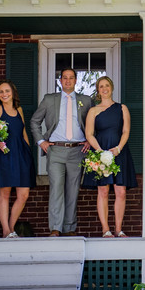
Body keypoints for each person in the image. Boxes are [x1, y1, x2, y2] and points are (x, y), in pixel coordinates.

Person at [30, 68, 92, 237]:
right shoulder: (50, 99)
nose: (67, 81)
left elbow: (94, 123)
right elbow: (35, 121)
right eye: (64, 78)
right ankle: (56, 228)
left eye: (71, 78)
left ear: (76, 81)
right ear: (60, 80)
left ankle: (70, 228)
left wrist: (89, 140)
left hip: (78, 150)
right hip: (55, 149)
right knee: (56, 188)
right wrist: (41, 141)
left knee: (73, 190)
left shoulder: (85, 101)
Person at [83, 76, 138, 237]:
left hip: (119, 152)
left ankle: (118, 229)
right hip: (100, 152)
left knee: (120, 191)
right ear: (98, 90)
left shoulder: (122, 108)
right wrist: (100, 151)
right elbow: (89, 133)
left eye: (107, 85)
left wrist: (118, 148)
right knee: (103, 191)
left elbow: (126, 131)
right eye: (101, 86)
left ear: (112, 88)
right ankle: (105, 229)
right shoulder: (93, 111)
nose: (104, 89)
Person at [0, 80, 35, 239]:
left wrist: (28, 153)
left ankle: (12, 227)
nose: (4, 94)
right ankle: (6, 230)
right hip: (5, 155)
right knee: (5, 193)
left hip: (22, 153)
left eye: (7, 91)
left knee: (23, 194)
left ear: (13, 92)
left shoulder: (19, 110)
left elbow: (23, 133)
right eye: (1, 92)